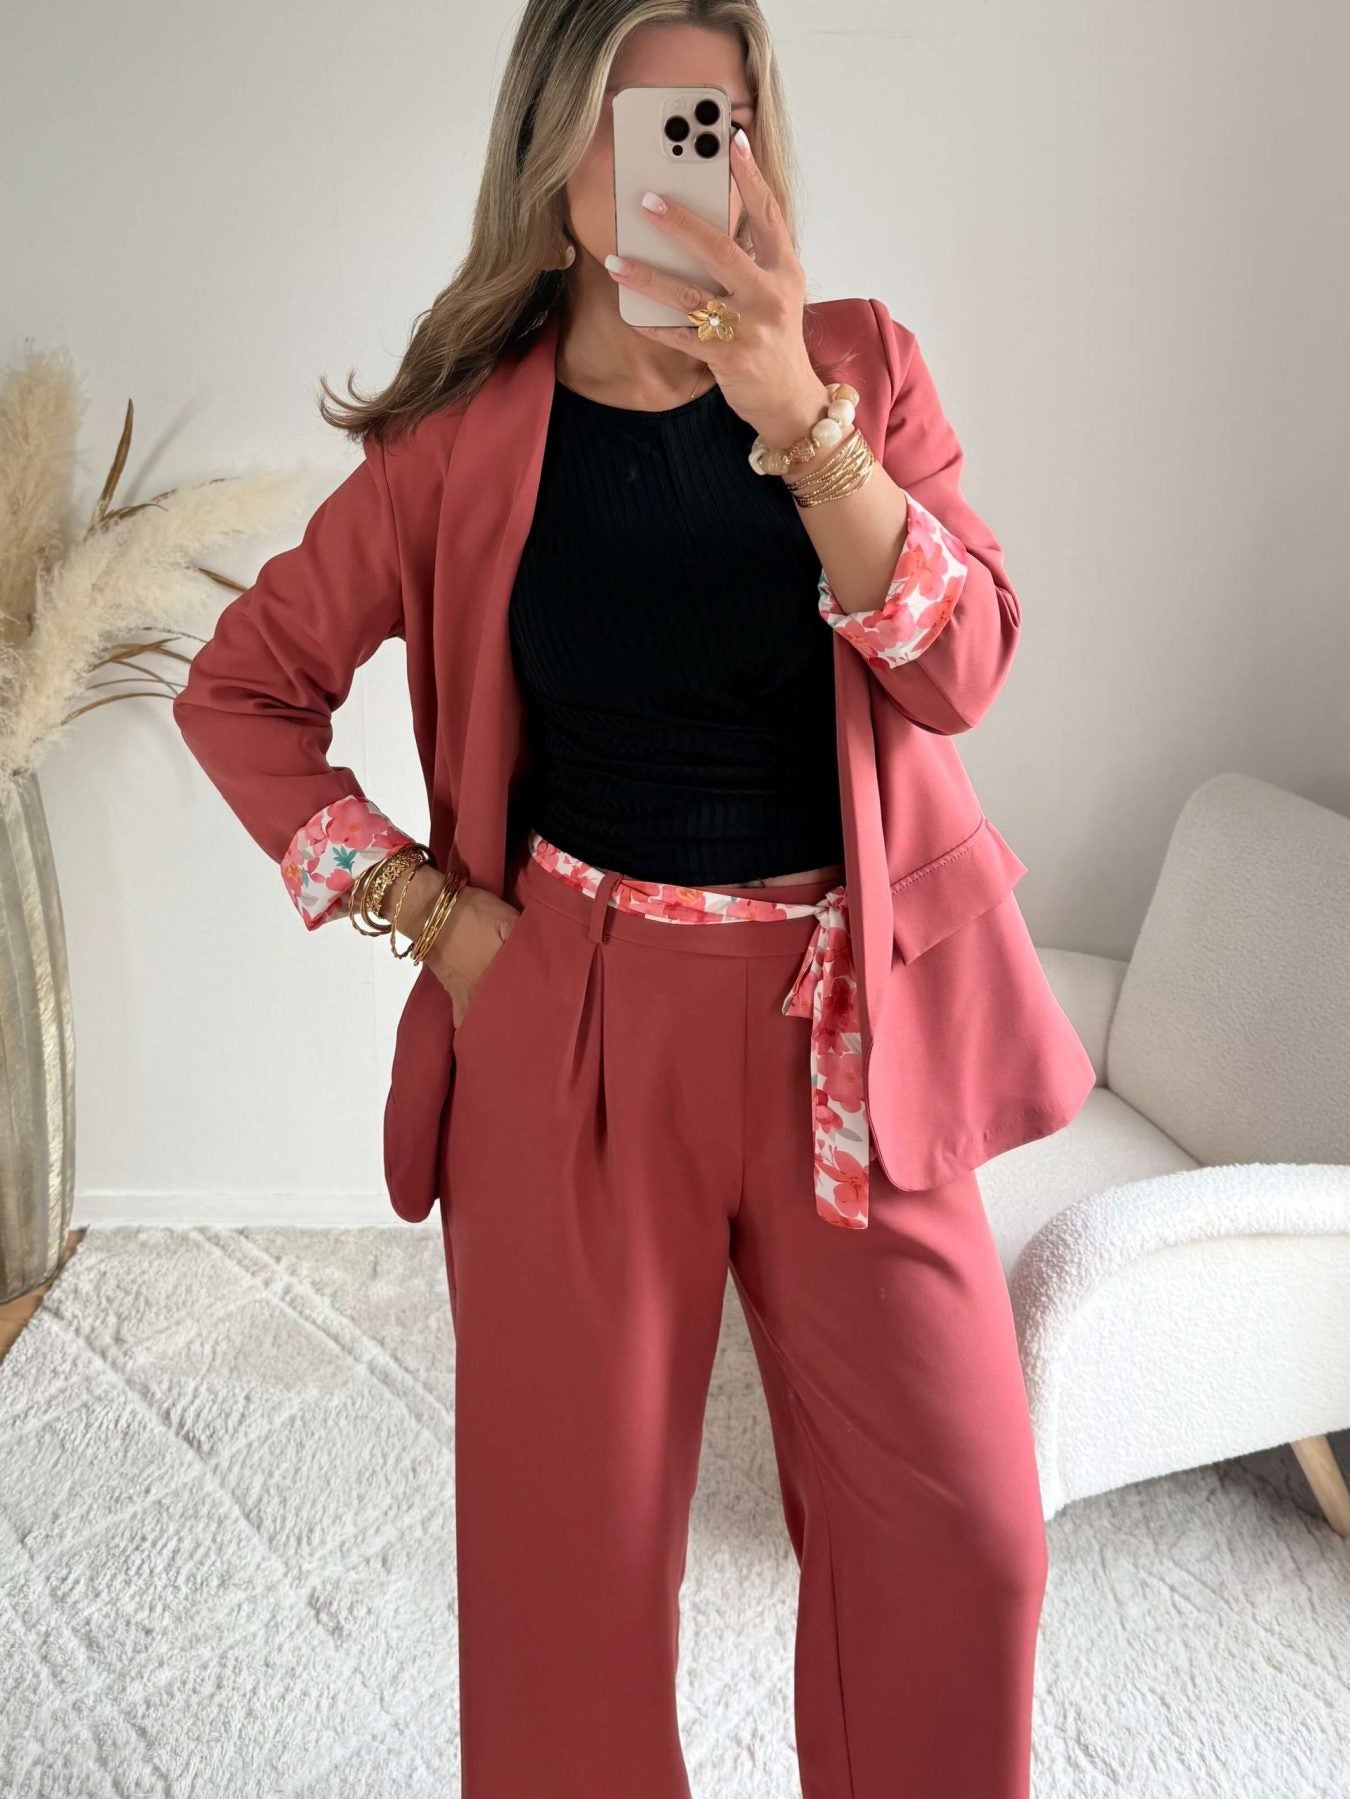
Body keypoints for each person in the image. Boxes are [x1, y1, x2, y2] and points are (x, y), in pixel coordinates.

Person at [174, 3, 1095, 1794]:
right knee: (569, 1591)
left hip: (849, 1033)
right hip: (573, 1020)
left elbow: (960, 671)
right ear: (553, 143)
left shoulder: (856, 364)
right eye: (641, 116)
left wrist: (800, 422)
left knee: (967, 1544)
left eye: (716, 118)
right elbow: (240, 696)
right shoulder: (458, 440)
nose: (685, 156)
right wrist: (437, 922)